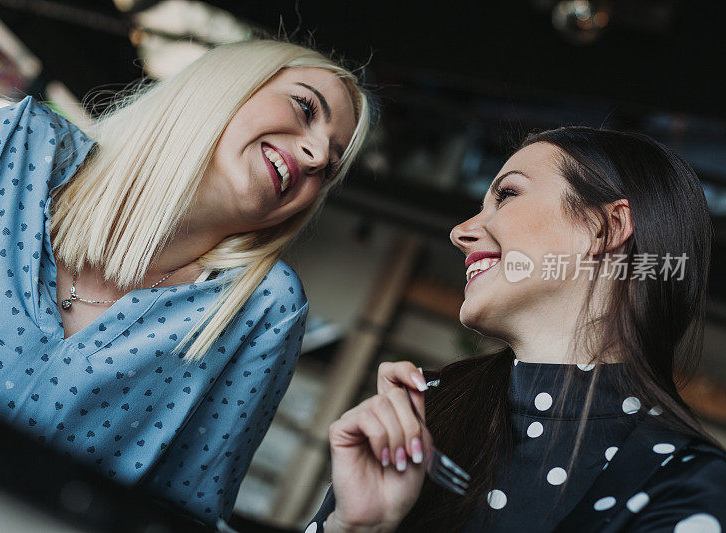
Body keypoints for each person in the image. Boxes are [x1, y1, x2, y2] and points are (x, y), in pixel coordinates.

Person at [0, 39, 372, 527]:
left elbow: (188, 515)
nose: (313, 155)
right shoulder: (15, 147)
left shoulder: (263, 309)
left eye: (328, 167)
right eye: (305, 107)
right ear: (225, 85)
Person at [307, 127, 726, 532]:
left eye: (506, 195)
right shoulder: (423, 419)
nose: (459, 232)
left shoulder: (689, 485)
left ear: (607, 228)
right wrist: (358, 528)